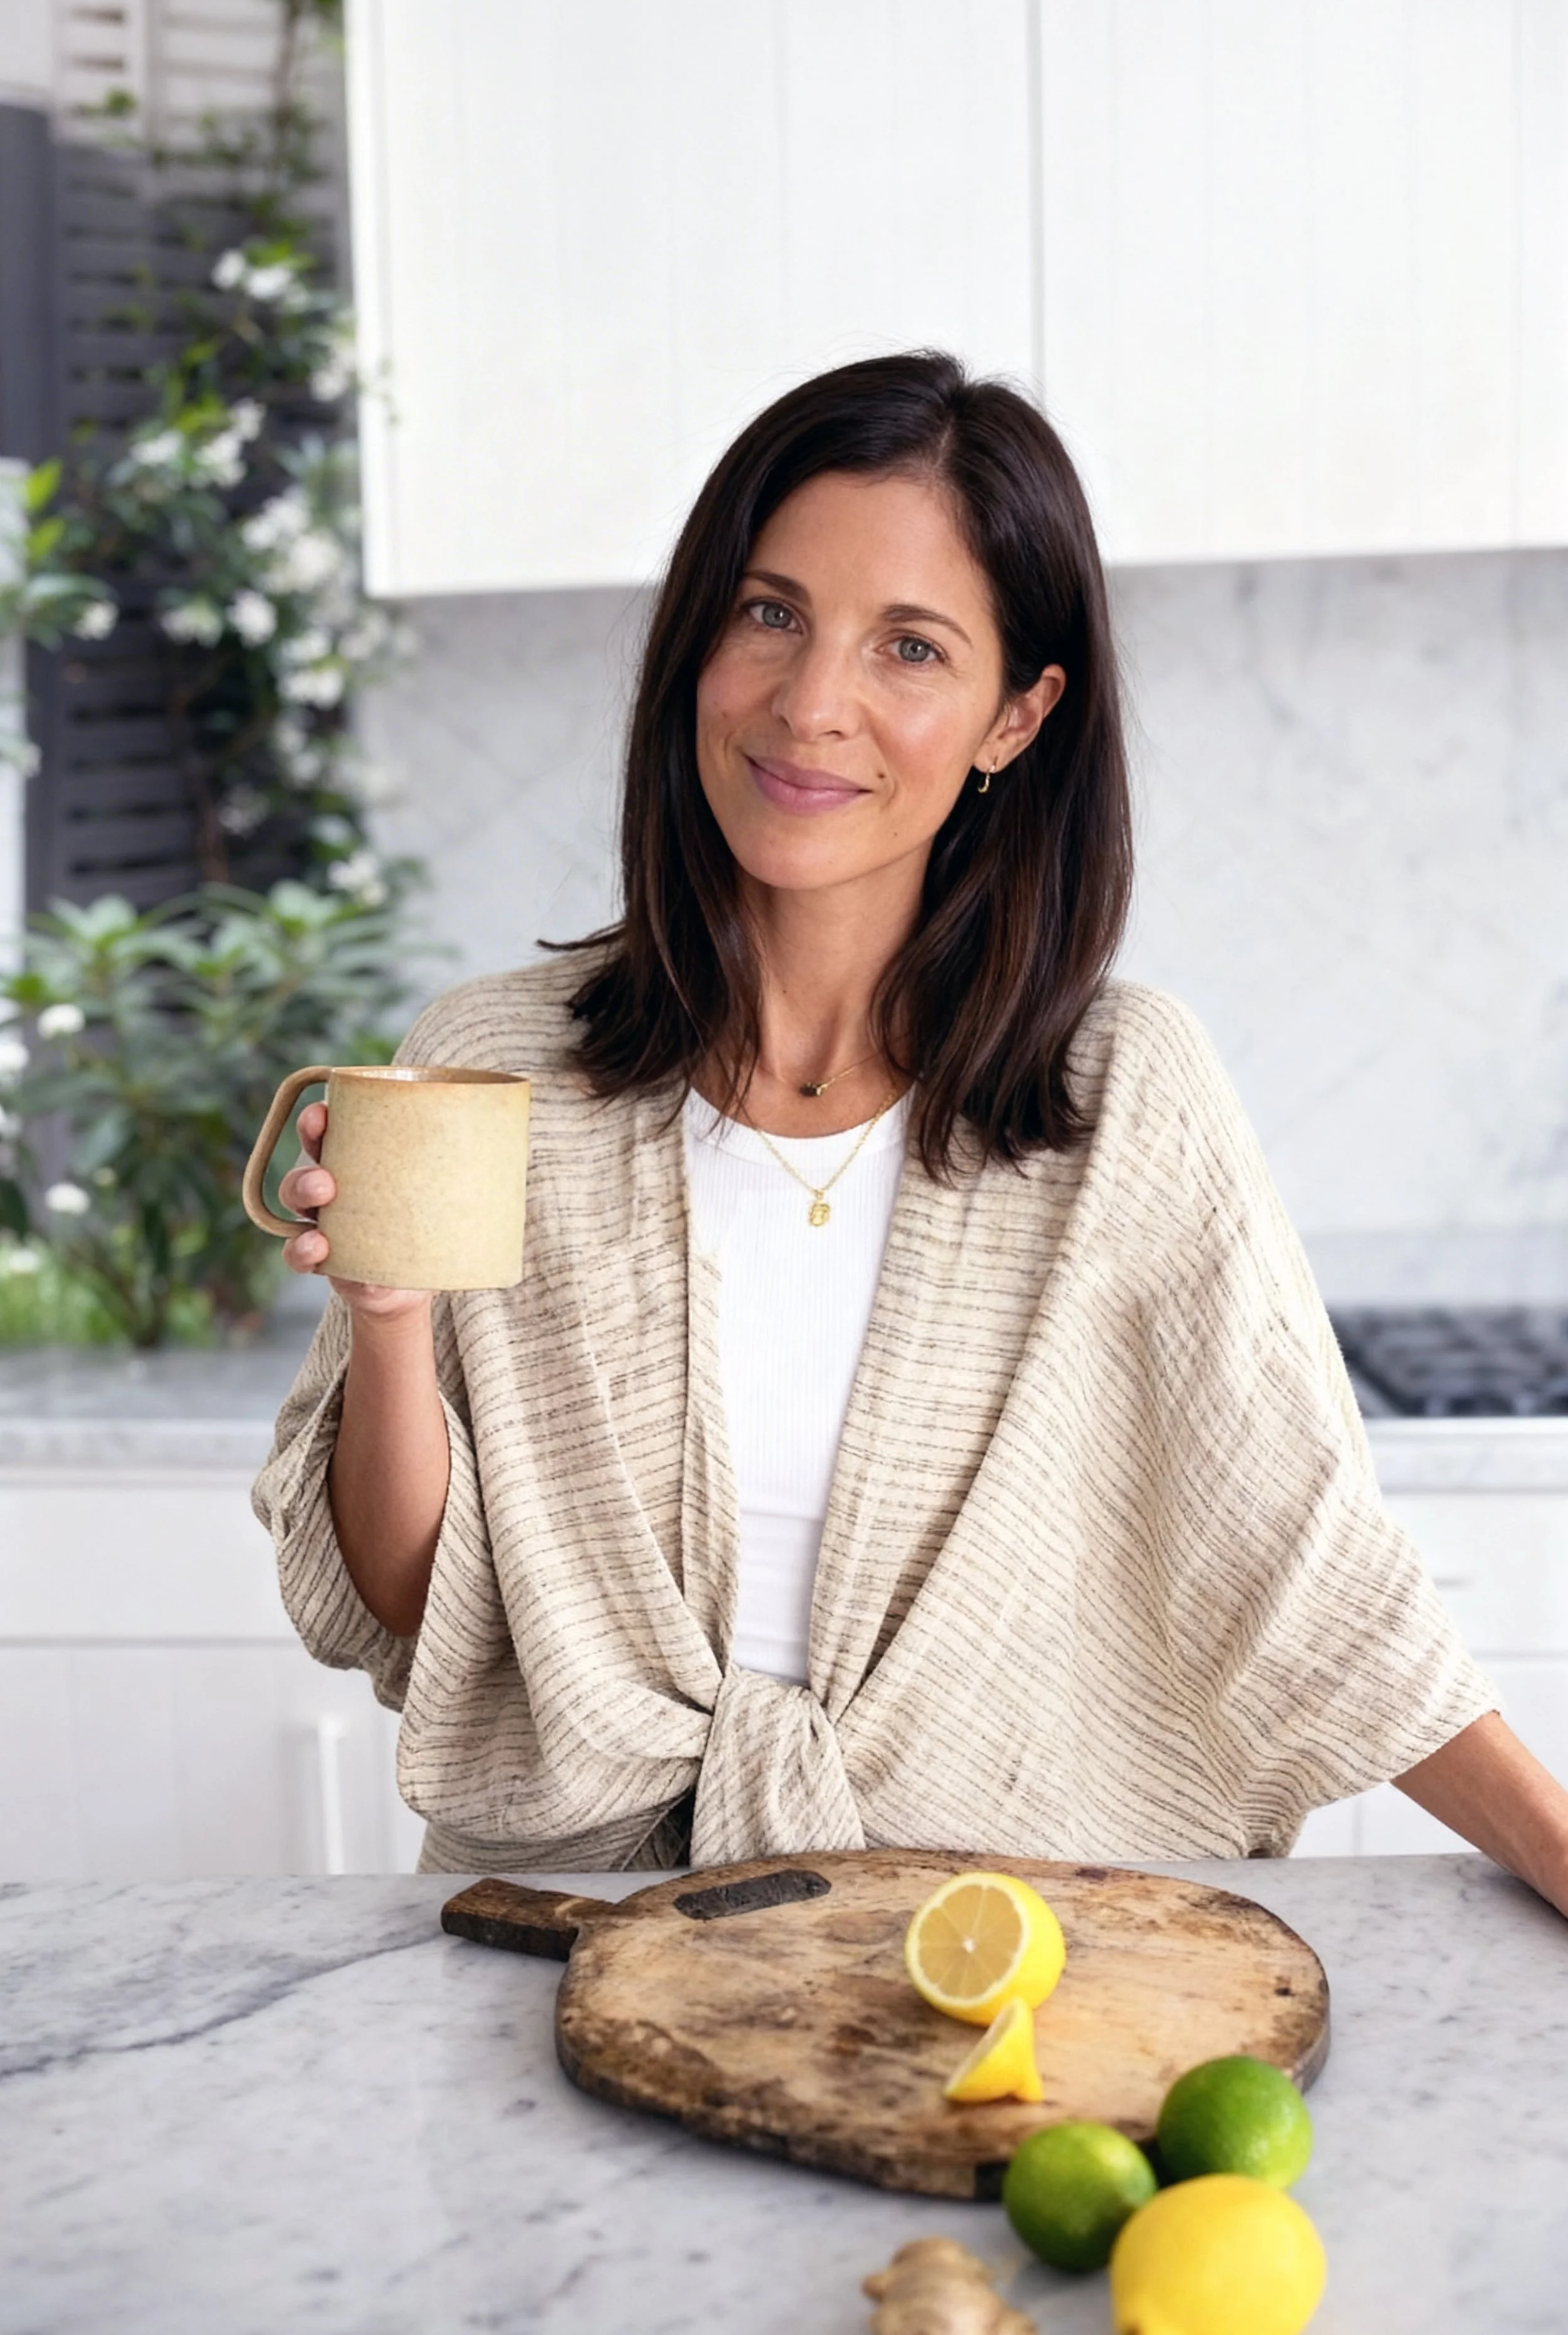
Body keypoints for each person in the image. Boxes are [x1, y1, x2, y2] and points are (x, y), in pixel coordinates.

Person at [254, 351, 1568, 1903]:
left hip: (990, 1945)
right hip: (564, 1928)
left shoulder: (1120, 1095)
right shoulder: (492, 1067)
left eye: (909, 648)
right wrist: (389, 1320)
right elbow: (416, 1608)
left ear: (1015, 715)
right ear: (696, 639)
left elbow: (1305, 1570)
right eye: (769, 613)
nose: (811, 703)